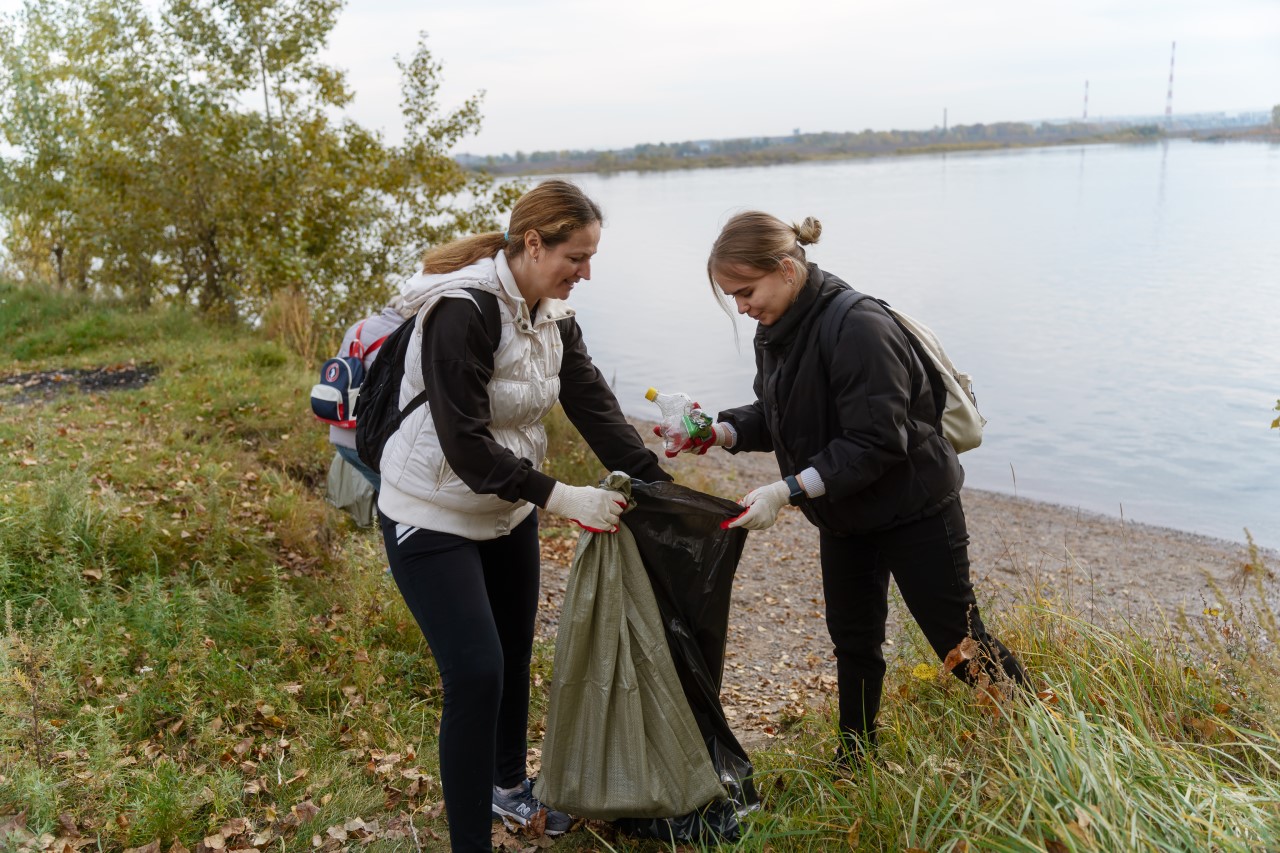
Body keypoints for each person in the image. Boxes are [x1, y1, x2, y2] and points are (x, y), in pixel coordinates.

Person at [376, 179, 672, 852]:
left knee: (511, 656)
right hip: (431, 510)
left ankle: (508, 787)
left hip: (506, 514)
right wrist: (567, 498)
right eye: (577, 257)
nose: (586, 273)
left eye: (592, 258)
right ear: (534, 244)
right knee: (476, 669)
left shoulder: (553, 311)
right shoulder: (462, 311)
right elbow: (467, 448)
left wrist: (659, 482)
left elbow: (593, 404)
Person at [675, 210, 1026, 765]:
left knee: (957, 643)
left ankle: (1038, 735)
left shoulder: (857, 324)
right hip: (843, 513)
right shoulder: (776, 330)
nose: (742, 309)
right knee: (854, 643)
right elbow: (780, 413)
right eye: (733, 297)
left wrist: (786, 490)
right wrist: (717, 431)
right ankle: (855, 760)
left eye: (745, 292)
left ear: (787, 269)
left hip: (914, 509)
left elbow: (877, 441)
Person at [329, 299, 408, 493]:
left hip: (340, 432)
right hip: (368, 442)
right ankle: (379, 522)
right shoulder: (404, 335)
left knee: (382, 492)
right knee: (395, 497)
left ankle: (372, 521)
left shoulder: (358, 327)